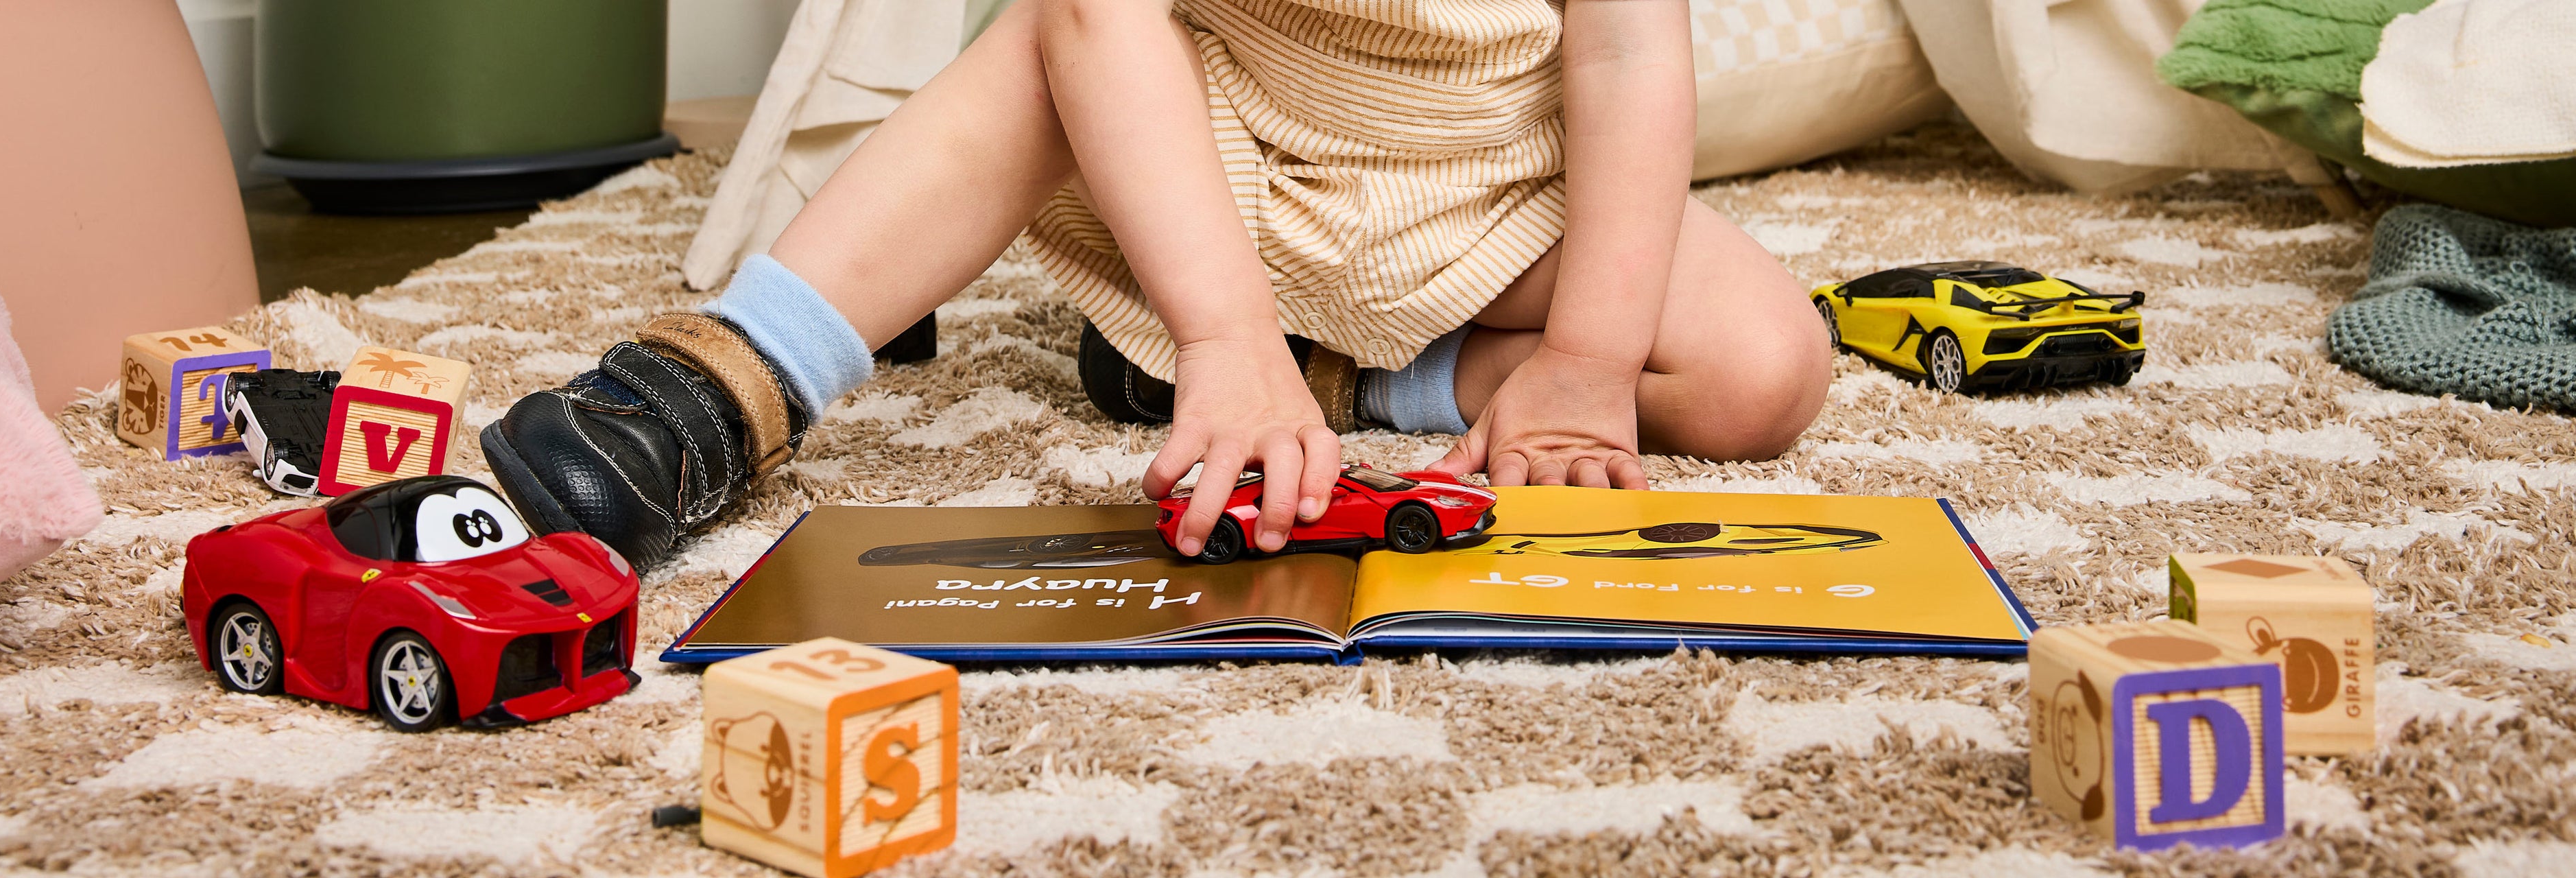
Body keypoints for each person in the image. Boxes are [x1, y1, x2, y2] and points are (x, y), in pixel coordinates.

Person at [480, 0, 1831, 571]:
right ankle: (731, 373)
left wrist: (1590, 359)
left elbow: (1627, 61)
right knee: (1030, 56)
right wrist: (1219, 318)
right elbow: (1094, 21)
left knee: (1764, 367)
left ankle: (1345, 378)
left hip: (1478, 184)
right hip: (1211, 159)